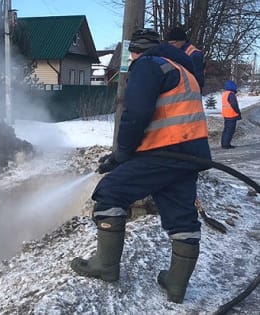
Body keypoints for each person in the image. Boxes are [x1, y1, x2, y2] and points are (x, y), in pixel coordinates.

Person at [70, 28, 212, 304]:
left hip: (165, 151)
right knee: (181, 216)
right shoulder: (182, 70)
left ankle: (106, 266)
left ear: (134, 51)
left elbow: (135, 114)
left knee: (109, 192)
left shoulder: (148, 65)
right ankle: (176, 285)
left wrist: (122, 153)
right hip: (188, 154)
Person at [166, 26, 205, 91]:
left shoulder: (194, 55)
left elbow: (197, 80)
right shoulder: (176, 53)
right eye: (169, 44)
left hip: (190, 93)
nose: (171, 46)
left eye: (173, 43)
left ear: (181, 41)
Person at [221, 80, 241, 149]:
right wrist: (238, 113)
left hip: (226, 115)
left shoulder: (225, 94)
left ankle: (224, 143)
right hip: (231, 115)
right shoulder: (231, 94)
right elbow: (234, 104)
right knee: (230, 130)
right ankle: (226, 144)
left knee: (226, 130)